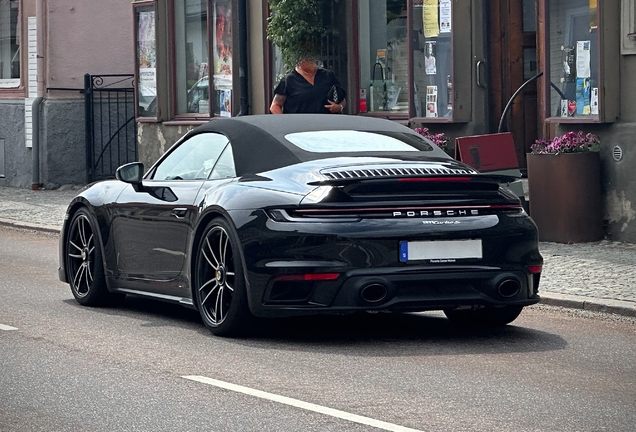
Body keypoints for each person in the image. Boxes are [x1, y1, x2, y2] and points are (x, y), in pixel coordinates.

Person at [270, 59, 347, 114]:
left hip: (326, 128)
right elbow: (275, 106)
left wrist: (339, 107)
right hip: (300, 130)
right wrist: (285, 124)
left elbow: (342, 100)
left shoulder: (328, 76)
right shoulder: (288, 80)